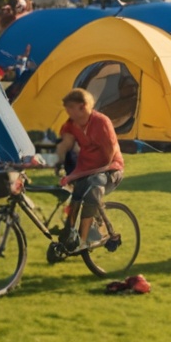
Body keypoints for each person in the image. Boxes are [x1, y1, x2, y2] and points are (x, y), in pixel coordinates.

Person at [56, 87, 124, 251]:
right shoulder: (71, 125)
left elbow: (108, 157)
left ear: (83, 106)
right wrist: (50, 162)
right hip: (85, 170)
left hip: (110, 169)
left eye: (71, 108)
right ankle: (70, 237)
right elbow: (64, 145)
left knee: (93, 187)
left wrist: (78, 175)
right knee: (73, 198)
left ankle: (85, 240)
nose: (68, 112)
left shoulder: (101, 122)